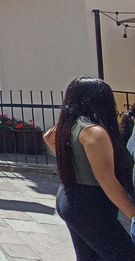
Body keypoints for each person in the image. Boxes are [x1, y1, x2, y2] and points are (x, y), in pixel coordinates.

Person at [44, 77, 135, 260]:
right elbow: (105, 178)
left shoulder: (69, 125)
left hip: (69, 197)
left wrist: (74, 162)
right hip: (91, 204)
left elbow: (48, 137)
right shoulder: (94, 132)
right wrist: (132, 212)